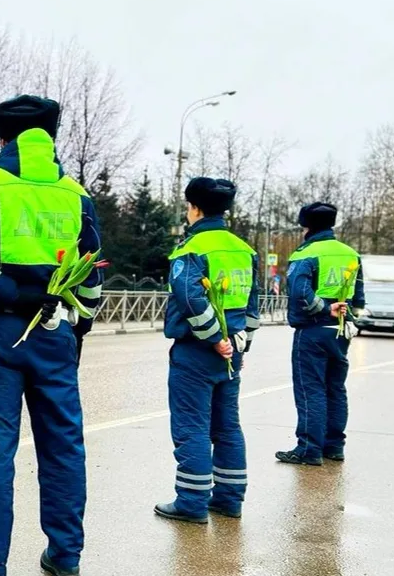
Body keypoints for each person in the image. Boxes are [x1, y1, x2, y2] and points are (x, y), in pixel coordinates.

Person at [0, 94, 103, 576]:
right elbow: (94, 269)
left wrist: (12, 295)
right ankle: (65, 557)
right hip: (56, 332)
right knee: (64, 445)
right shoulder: (75, 196)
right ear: (52, 136)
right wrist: (78, 325)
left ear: (2, 137)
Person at [154, 178, 259, 524]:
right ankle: (230, 499)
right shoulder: (244, 250)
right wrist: (239, 342)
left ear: (195, 208)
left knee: (192, 427)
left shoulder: (191, 249)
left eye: (187, 207)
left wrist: (214, 338)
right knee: (227, 426)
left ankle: (191, 503)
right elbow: (253, 303)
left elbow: (189, 297)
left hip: (196, 351)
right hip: (232, 354)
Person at [276, 202, 363, 465]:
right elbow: (358, 297)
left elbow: (301, 292)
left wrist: (325, 309)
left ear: (307, 226)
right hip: (341, 332)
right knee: (336, 388)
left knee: (310, 389)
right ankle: (334, 446)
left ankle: (309, 449)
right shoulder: (350, 254)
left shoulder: (307, 253)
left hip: (313, 330)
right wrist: (347, 317)